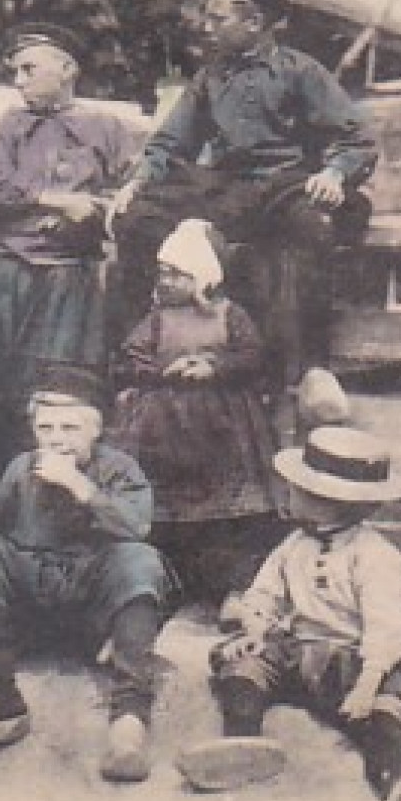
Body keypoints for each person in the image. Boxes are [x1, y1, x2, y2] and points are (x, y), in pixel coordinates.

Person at [106, 0, 379, 421]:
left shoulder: (301, 72)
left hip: (288, 183)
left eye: (218, 19)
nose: (206, 27)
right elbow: (172, 142)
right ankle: (136, 361)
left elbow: (356, 138)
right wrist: (137, 182)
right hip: (227, 187)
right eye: (207, 18)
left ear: (254, 22)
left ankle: (311, 369)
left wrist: (334, 174)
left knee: (311, 227)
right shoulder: (209, 78)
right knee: (138, 219)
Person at [177, 426, 401, 801]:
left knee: (380, 714)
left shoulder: (374, 558)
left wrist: (367, 683)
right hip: (301, 649)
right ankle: (242, 743)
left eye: (298, 489)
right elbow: (266, 594)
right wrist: (254, 631)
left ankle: (398, 781)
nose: (289, 493)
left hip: (356, 659)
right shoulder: (294, 546)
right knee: (243, 666)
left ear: (329, 503)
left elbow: (385, 628)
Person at [0, 367, 174, 784]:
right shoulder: (22, 467)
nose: (56, 438)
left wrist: (80, 487)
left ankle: (129, 720)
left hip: (89, 611)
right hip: (30, 610)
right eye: (45, 427)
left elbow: (137, 526)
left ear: (95, 430)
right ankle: (0, 696)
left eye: (70, 428)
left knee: (140, 560)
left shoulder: (119, 468)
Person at [0, 23, 144, 491]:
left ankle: (48, 486)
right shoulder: (11, 125)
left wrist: (98, 208)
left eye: (29, 69)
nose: (19, 80)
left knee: (54, 384)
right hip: (5, 266)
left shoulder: (106, 128)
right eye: (15, 72)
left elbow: (135, 186)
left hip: (68, 274)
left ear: (67, 69)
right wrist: (54, 199)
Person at [108, 219, 283, 600]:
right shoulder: (156, 320)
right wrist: (159, 371)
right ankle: (167, 580)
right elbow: (130, 358)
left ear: (203, 278)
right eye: (163, 273)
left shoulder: (229, 315)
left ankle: (226, 587)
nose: (166, 281)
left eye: (178, 274)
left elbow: (252, 356)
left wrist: (215, 368)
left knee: (223, 507)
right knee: (166, 503)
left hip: (223, 425)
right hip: (161, 425)